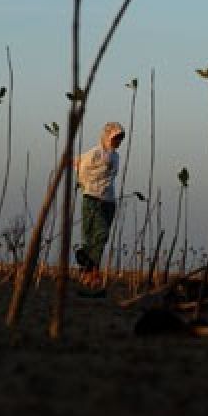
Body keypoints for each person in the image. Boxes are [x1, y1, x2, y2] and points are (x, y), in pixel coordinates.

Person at [73, 121, 124, 292]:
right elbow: (79, 165)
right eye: (116, 138)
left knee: (99, 240)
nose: (118, 141)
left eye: (120, 138)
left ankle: (89, 275)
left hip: (109, 201)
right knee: (98, 234)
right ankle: (91, 272)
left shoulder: (116, 156)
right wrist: (87, 185)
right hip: (92, 199)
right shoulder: (95, 153)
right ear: (107, 137)